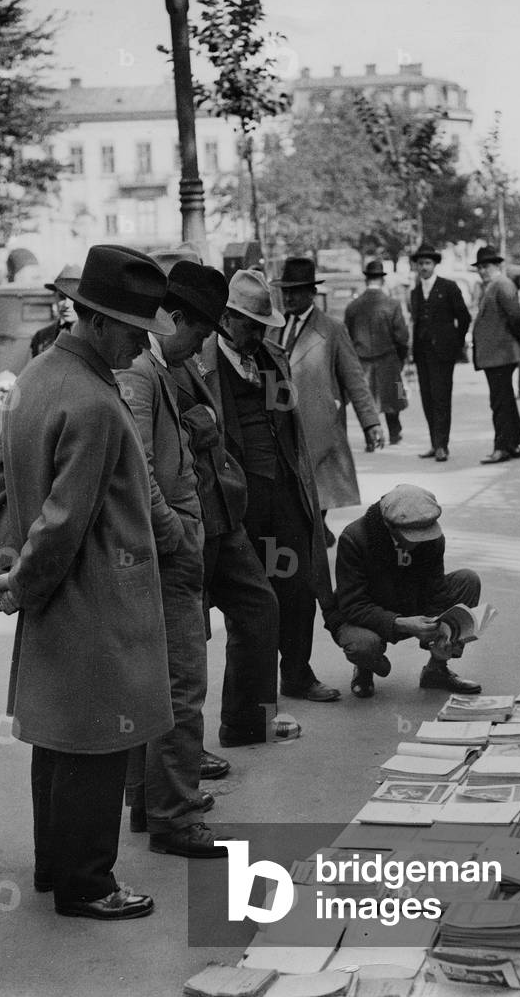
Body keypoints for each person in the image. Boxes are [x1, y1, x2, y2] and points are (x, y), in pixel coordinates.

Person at [0, 245, 176, 919]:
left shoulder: (36, 374)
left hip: (58, 592)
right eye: (131, 329)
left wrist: (5, 564)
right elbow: (65, 521)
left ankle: (55, 865)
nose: (139, 343)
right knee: (97, 740)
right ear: (94, 319)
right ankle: (89, 883)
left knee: (57, 736)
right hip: (94, 595)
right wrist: (21, 580)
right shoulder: (92, 399)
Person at [115, 261, 233, 858]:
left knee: (159, 684)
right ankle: (174, 816)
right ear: (176, 319)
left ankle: (151, 802)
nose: (205, 343)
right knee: (182, 685)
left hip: (165, 547)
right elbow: (138, 468)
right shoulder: (142, 373)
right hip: (165, 551)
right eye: (202, 330)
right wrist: (176, 536)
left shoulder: (158, 368)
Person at [199, 269, 341, 703]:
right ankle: (253, 701)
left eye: (263, 325)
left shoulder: (273, 357)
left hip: (284, 490)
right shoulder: (199, 363)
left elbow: (290, 426)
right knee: (250, 603)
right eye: (250, 324)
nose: (258, 333)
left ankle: (297, 673)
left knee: (299, 589)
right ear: (225, 319)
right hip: (235, 502)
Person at [168, 267, 291, 747]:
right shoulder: (157, 361)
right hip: (189, 519)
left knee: (259, 608)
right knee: (186, 639)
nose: (258, 335)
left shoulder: (194, 357)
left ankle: (245, 722)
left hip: (225, 514)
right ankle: (181, 757)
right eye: (251, 325)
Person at [269, 257, 383, 546]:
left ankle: (316, 534)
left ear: (311, 292)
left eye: (295, 290)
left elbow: (354, 379)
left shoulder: (332, 329)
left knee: (318, 490)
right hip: (281, 422)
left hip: (320, 425)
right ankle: (314, 534)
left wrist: (370, 422)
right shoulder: (273, 327)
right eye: (285, 289)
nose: (288, 296)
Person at [335, 484, 482, 698]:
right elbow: (352, 604)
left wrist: (441, 634)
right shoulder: (354, 537)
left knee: (468, 580)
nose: (421, 541)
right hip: (368, 611)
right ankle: (365, 667)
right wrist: (400, 623)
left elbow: (436, 589)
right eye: (413, 535)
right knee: (362, 646)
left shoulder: (433, 540)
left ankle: (437, 670)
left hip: (410, 600)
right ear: (390, 526)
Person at [409, 243, 471, 462]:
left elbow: (464, 317)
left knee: (441, 398)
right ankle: (434, 442)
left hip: (443, 353)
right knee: (427, 398)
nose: (424, 267)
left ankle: (442, 445)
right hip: (422, 352)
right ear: (416, 266)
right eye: (420, 264)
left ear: (435, 264)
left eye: (427, 263)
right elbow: (415, 323)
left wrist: (456, 343)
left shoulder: (449, 287)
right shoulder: (415, 292)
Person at [344, 259, 409, 445]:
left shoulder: (353, 307)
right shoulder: (392, 305)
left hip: (362, 361)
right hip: (389, 359)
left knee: (366, 399)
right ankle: (395, 432)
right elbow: (402, 337)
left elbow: (346, 338)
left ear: (367, 280)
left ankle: (370, 437)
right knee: (394, 396)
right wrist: (401, 358)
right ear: (382, 280)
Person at [471, 246, 520, 464]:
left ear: (497, 265)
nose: (482, 270)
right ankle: (512, 444)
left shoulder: (502, 284)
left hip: (501, 354)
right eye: (480, 267)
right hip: (497, 355)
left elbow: (516, 317)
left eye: (486, 266)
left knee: (499, 402)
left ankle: (502, 447)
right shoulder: (494, 286)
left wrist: (512, 340)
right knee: (505, 400)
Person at [30, 264, 81, 357]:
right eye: (62, 297)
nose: (66, 304)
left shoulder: (94, 338)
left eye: (73, 298)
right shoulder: (41, 337)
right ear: (55, 297)